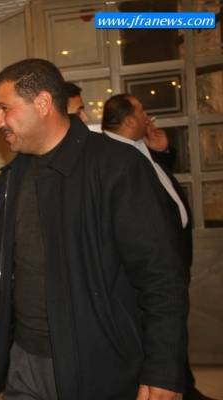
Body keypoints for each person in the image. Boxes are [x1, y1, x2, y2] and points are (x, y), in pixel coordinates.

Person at [0, 59, 190, 400]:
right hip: (24, 361)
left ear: (42, 103)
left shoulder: (117, 166)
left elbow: (161, 276)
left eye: (4, 108)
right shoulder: (12, 179)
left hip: (99, 365)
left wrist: (163, 367)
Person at [102, 94, 215, 400]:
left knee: (170, 328)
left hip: (170, 265)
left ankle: (183, 385)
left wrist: (162, 153)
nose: (148, 117)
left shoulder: (139, 149)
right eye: (142, 111)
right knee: (156, 332)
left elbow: (161, 193)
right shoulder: (114, 158)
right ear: (128, 120)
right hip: (145, 273)